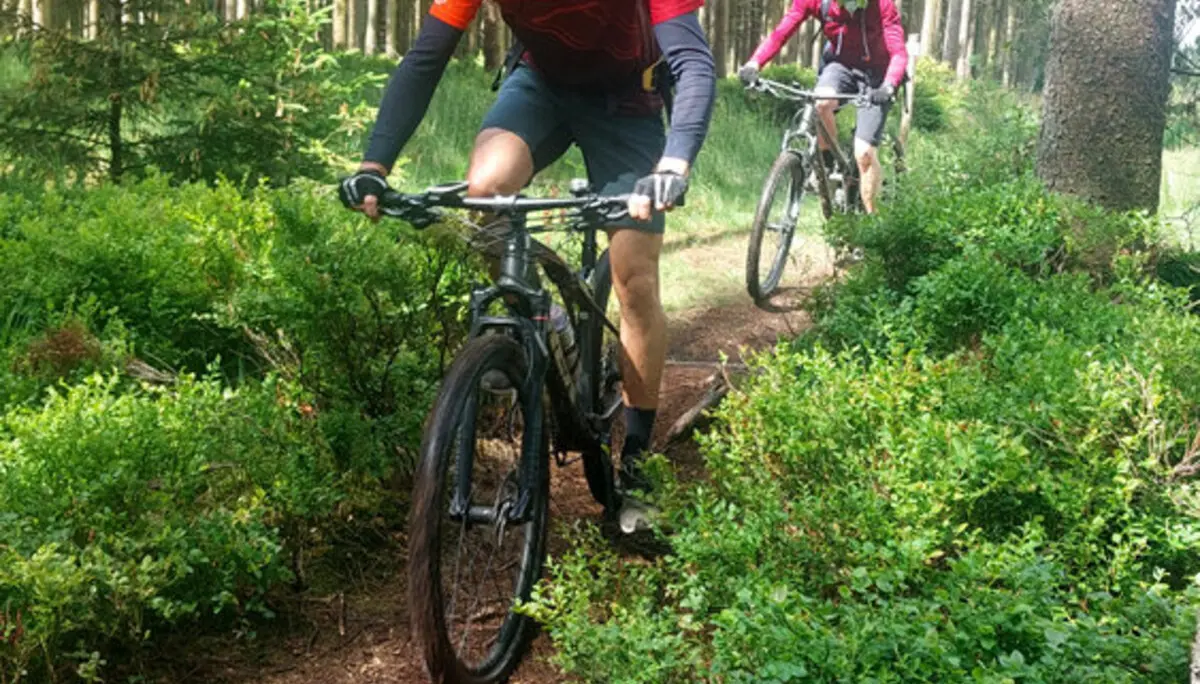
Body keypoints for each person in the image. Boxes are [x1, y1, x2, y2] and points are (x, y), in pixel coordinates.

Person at [337, 0, 717, 507]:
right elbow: (426, 55)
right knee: (486, 192)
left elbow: (693, 61)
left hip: (628, 101)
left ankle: (639, 461)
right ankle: (547, 319)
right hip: (541, 85)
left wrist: (675, 161)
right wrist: (375, 164)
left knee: (635, 278)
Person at [739, 0, 907, 214]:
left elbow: (899, 52)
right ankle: (826, 165)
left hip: (878, 75)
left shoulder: (882, 4)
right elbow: (782, 31)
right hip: (841, 66)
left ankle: (872, 229)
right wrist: (755, 63)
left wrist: (889, 85)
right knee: (821, 102)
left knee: (864, 153)